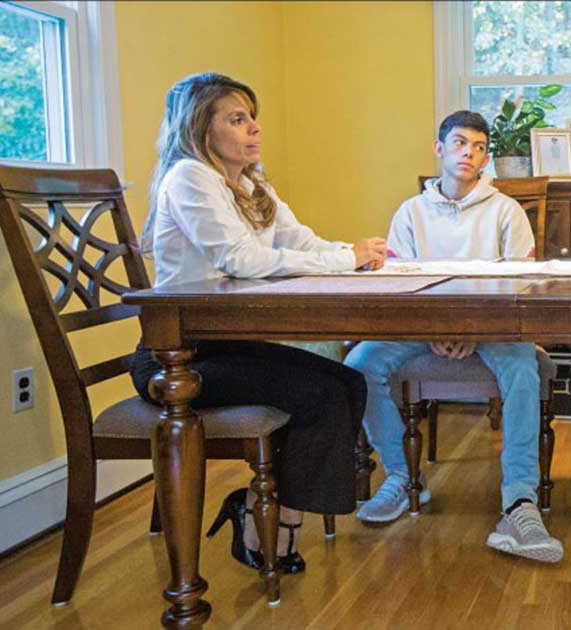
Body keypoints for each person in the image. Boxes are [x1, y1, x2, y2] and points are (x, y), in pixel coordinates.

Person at [131, 72, 387, 575]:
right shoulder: (189, 177)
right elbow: (240, 257)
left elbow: (302, 242)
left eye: (253, 117)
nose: (254, 128)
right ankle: (268, 524)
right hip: (179, 359)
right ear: (201, 129)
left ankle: (269, 511)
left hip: (230, 346)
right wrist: (344, 261)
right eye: (237, 118)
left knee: (347, 381)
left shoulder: (251, 182)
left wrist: (355, 254)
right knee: (320, 394)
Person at [343, 111, 564, 563]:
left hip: (494, 329)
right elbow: (398, 286)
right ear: (439, 148)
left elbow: (520, 288)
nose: (470, 153)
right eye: (460, 143)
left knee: (525, 366)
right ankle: (403, 479)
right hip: (422, 328)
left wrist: (473, 330)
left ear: (486, 159)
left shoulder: (506, 211)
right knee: (359, 365)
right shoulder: (410, 213)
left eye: (480, 147)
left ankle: (519, 499)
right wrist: (433, 329)